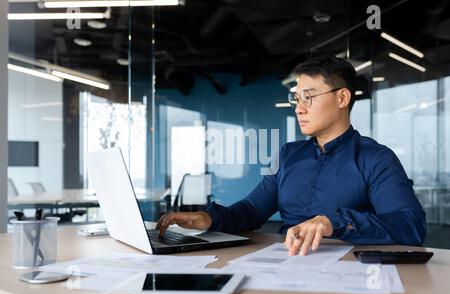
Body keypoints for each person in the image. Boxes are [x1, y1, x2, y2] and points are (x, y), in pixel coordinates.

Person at [156, 55, 427, 256]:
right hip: (285, 262)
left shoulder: (376, 158)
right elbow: (252, 210)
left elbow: (410, 225)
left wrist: (333, 222)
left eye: (308, 97)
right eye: (296, 98)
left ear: (342, 98)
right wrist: (209, 218)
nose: (299, 108)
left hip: (347, 271)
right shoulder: (288, 155)